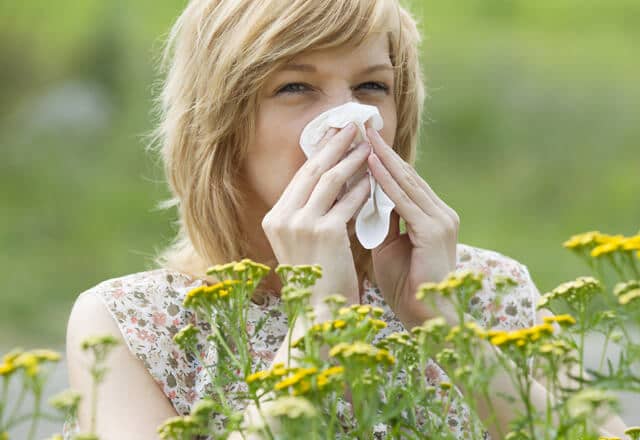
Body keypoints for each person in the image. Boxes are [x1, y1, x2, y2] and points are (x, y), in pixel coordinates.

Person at [65, 0, 629, 439]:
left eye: (370, 87)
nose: (349, 123)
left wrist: (445, 325)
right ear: (221, 126)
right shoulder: (133, 325)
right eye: (295, 87)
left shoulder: (487, 291)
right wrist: (319, 321)